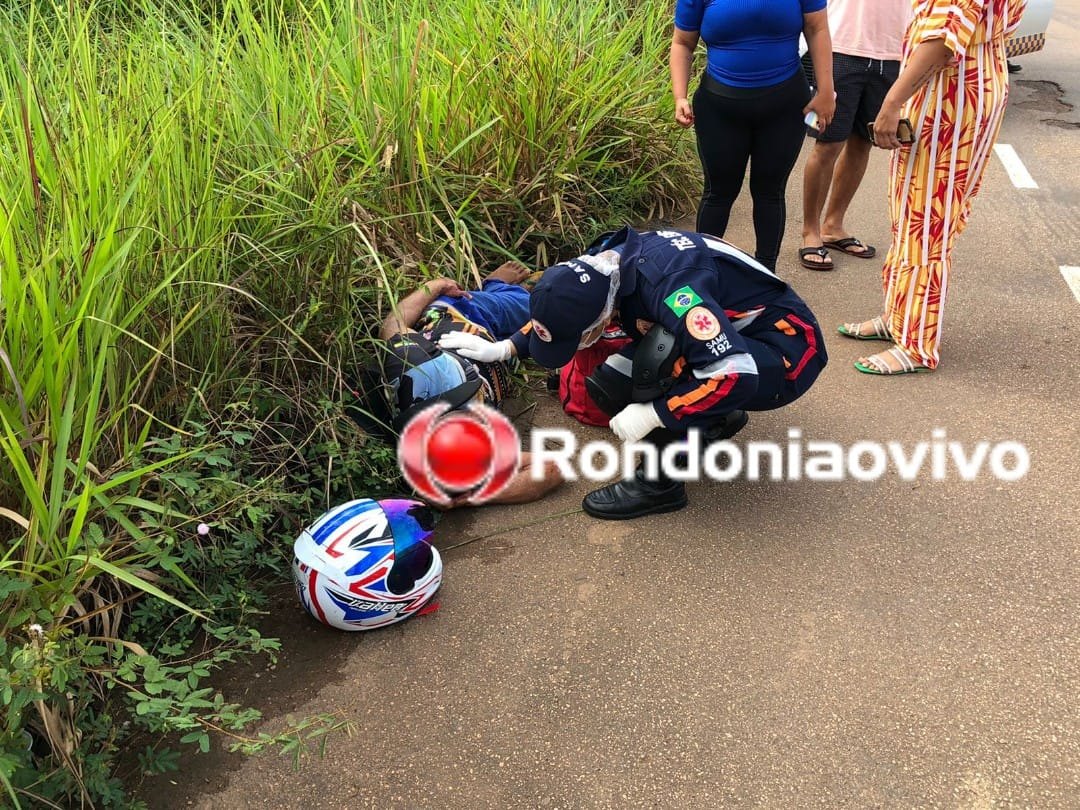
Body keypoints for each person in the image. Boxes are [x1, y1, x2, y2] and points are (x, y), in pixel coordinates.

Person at [438, 227, 828, 519]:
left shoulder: (674, 292)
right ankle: (712, 420)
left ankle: (659, 485)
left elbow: (733, 374)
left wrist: (657, 413)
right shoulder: (601, 265)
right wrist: (505, 347)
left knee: (652, 369)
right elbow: (559, 307)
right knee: (614, 378)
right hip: (743, 336)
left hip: (786, 352)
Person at [839, 0, 1027, 374]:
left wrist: (892, 101)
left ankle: (916, 344)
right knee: (914, 209)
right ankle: (900, 317)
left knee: (926, 219)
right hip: (968, 84)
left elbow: (943, 39)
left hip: (950, 97)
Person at [372, 261, 563, 505]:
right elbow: (551, 468)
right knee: (543, 323)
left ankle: (494, 285)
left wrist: (437, 284)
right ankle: (496, 287)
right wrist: (466, 499)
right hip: (489, 340)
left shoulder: (411, 363)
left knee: (543, 304)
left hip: (461, 312)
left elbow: (392, 325)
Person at [669, 0, 836, 271]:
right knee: (718, 193)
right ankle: (703, 272)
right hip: (719, 107)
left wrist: (826, 91)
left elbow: (817, 28)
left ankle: (765, 274)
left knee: (770, 191)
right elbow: (682, 43)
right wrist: (680, 96)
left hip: (785, 105)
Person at [799, 0, 909, 271]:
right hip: (841, 48)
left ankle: (833, 226)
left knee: (862, 143)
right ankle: (810, 231)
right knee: (828, 144)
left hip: (894, 54)